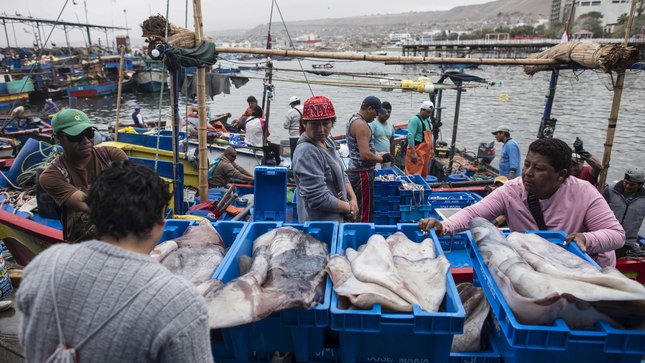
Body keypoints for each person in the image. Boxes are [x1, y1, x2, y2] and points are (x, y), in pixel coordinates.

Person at [17, 161, 213, 362]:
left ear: (92, 212)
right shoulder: (180, 302)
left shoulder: (44, 263)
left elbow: (27, 336)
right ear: (162, 217)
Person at [418, 138, 625, 268]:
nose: (528, 173)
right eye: (526, 165)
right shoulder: (512, 190)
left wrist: (585, 239)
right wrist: (444, 226)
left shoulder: (584, 193)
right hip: (536, 264)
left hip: (585, 267)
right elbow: (475, 213)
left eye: (539, 169)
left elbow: (617, 236)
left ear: (561, 175)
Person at [39, 108, 128, 242]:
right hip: (83, 244)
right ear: (58, 138)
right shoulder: (52, 176)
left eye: (89, 133)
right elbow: (88, 204)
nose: (86, 140)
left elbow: (132, 190)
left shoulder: (113, 156)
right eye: (76, 136)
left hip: (124, 234)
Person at [293, 96, 358, 223]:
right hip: (320, 225)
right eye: (315, 124)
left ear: (332, 123)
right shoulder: (307, 152)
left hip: (336, 218)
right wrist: (348, 208)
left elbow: (341, 173)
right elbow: (318, 198)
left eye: (326, 123)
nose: (321, 130)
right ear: (304, 123)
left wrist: (353, 198)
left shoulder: (327, 141)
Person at [345, 96, 392, 222]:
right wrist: (382, 159)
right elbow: (365, 155)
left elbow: (361, 149)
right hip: (362, 174)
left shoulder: (353, 119)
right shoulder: (361, 125)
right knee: (364, 212)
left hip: (355, 171)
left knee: (357, 208)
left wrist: (377, 154)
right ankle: (362, 237)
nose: (376, 117)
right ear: (369, 109)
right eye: (376, 113)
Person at [603, 168, 645, 258]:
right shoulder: (609, 190)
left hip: (628, 242)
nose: (627, 186)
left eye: (632, 185)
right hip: (606, 237)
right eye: (625, 182)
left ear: (641, 185)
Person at [405, 100, 434, 179]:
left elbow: (430, 136)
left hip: (425, 152)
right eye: (428, 112)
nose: (429, 114)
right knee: (413, 173)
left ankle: (421, 189)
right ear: (422, 110)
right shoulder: (415, 120)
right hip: (417, 150)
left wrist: (432, 149)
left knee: (423, 173)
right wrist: (413, 152)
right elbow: (410, 136)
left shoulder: (427, 121)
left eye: (430, 112)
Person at [369, 101, 395, 168]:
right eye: (384, 112)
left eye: (389, 112)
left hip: (387, 157)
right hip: (376, 157)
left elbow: (392, 142)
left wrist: (393, 157)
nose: (386, 114)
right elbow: (369, 141)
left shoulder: (390, 125)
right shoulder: (373, 124)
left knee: (386, 175)